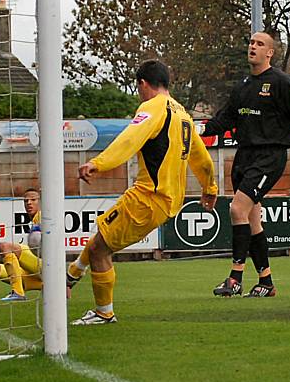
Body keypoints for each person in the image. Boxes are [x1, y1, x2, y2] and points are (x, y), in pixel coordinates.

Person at [67, 60, 218, 325]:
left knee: (100, 250)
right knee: (101, 238)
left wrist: (97, 163)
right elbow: (202, 159)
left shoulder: (153, 107)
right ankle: (70, 277)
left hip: (147, 198)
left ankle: (103, 312)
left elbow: (130, 138)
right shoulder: (183, 114)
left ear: (143, 84)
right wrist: (210, 187)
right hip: (163, 201)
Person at [199, 31, 290, 298]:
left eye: (259, 44)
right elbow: (224, 120)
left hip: (270, 157)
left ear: (270, 52)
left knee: (236, 209)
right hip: (244, 156)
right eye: (251, 43)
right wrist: (195, 128)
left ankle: (235, 278)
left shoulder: (283, 83)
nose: (252, 47)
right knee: (252, 221)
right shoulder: (243, 86)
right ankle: (266, 282)